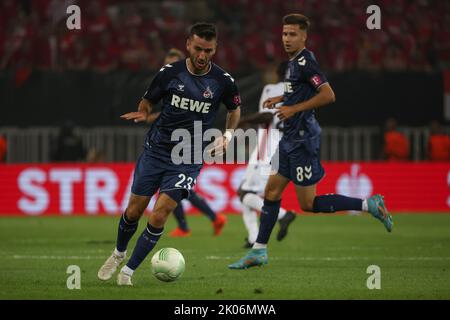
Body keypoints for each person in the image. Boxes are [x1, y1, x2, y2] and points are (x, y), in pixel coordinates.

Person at [229, 14, 393, 270]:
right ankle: (259, 251)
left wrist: (294, 110)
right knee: (271, 193)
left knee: (309, 204)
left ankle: (368, 205)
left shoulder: (306, 62)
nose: (286, 39)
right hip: (288, 138)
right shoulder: (293, 63)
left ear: (304, 36)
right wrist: (282, 99)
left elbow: (328, 95)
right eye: (284, 34)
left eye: (292, 34)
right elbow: (299, 90)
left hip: (304, 140)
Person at [97, 22, 241, 286]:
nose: (202, 55)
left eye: (208, 50)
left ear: (215, 48)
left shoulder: (223, 81)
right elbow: (149, 99)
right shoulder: (169, 74)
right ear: (188, 44)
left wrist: (228, 135)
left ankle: (128, 271)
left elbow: (234, 110)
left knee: (161, 212)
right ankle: (119, 252)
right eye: (198, 48)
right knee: (133, 211)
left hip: (188, 156)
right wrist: (143, 110)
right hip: (156, 151)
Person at [148, 48, 227, 237]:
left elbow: (188, 113)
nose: (169, 67)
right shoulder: (168, 81)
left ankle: (203, 220)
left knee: (175, 188)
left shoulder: (192, 82)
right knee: (175, 188)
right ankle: (207, 220)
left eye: (172, 63)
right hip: (170, 143)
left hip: (188, 143)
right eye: (167, 63)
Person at [237, 61, 296, 248]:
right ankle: (254, 237)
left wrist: (244, 119)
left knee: (244, 192)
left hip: (268, 145)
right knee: (248, 191)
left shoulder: (272, 88)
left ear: (278, 72)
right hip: (283, 145)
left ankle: (283, 215)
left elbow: (268, 116)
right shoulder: (296, 92)